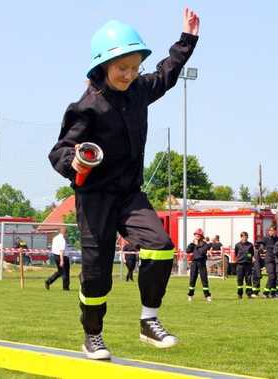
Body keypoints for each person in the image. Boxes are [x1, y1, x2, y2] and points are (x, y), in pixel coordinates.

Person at [48, 9, 199, 359]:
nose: (130, 75)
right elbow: (59, 151)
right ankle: (93, 335)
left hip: (130, 195)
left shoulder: (138, 91)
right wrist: (76, 160)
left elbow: (167, 72)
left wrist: (187, 39)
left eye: (134, 67)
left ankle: (149, 319)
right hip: (95, 199)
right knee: (97, 274)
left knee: (161, 244)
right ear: (103, 66)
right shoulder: (86, 107)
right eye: (122, 69)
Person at [186, 228, 212, 302]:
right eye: (195, 235)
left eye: (198, 235)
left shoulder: (204, 244)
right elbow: (187, 251)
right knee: (192, 279)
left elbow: (201, 252)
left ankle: (207, 296)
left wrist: (196, 245)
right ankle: (190, 295)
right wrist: (192, 244)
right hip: (194, 263)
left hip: (201, 263)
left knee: (204, 279)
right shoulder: (193, 244)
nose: (196, 236)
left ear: (201, 236)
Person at [260, 227, 278, 298]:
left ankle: (273, 293)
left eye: (273, 230)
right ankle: (265, 292)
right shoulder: (265, 239)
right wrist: (262, 249)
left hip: (276, 260)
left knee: (276, 277)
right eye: (270, 230)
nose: (272, 232)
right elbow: (260, 246)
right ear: (268, 231)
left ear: (275, 231)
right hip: (269, 260)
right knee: (272, 276)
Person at [234, 231, 254, 299]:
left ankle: (249, 294)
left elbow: (251, 253)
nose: (244, 238)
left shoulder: (250, 245)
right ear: (241, 237)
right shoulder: (237, 245)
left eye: (246, 237)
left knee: (248, 280)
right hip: (240, 265)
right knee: (240, 279)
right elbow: (236, 253)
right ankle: (240, 294)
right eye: (243, 237)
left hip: (248, 265)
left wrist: (249, 257)